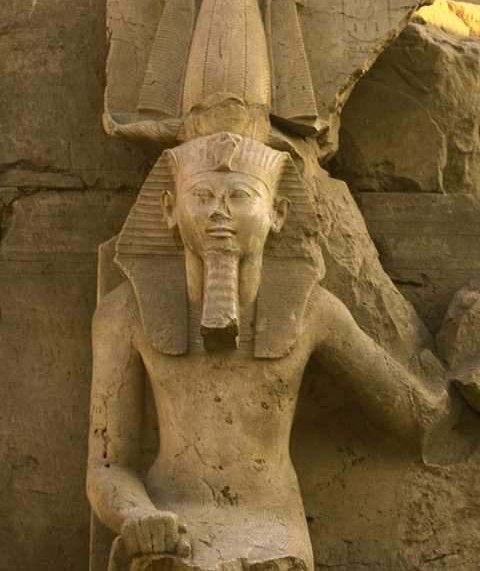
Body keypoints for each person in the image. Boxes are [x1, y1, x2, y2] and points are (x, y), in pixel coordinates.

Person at [87, 133, 456, 571]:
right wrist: (138, 517)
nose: (219, 212)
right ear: (169, 209)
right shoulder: (125, 312)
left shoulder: (313, 311)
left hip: (272, 534)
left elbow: (416, 418)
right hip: (171, 528)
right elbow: (107, 466)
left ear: (278, 213)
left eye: (239, 196)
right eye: (202, 197)